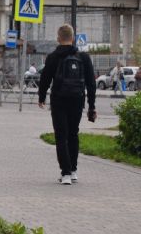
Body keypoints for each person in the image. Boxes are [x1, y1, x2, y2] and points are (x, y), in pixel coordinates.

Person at [37, 24, 97, 185]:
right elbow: (91, 83)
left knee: (61, 136)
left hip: (59, 100)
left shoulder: (53, 57)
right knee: (73, 134)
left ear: (58, 38)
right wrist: (91, 106)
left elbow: (45, 79)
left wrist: (41, 97)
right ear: (73, 38)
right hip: (77, 99)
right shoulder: (83, 58)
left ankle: (66, 174)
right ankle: (74, 170)